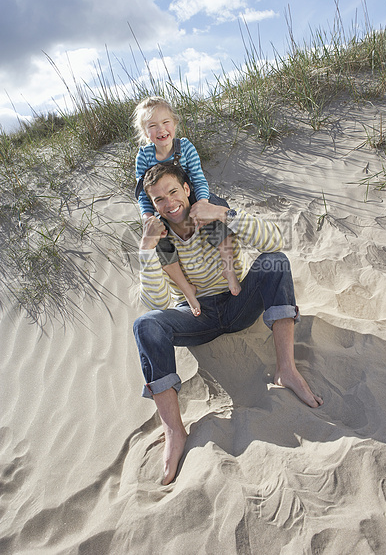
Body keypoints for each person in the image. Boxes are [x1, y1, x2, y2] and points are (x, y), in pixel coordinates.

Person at [133, 162, 323, 486]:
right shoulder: (159, 238)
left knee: (275, 261)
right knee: (145, 325)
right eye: (159, 199)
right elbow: (155, 303)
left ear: (186, 189)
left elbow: (275, 240)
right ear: (152, 206)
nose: (169, 203)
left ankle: (286, 369)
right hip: (197, 318)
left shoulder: (211, 210)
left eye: (173, 192)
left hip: (238, 305)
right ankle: (174, 430)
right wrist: (146, 249)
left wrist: (225, 214)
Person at [133, 96, 241, 316]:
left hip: (193, 196)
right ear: (146, 133)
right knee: (160, 240)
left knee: (215, 212)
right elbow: (142, 192)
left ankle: (228, 270)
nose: (161, 130)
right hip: (164, 207)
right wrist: (147, 216)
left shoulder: (186, 147)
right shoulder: (143, 156)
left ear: (174, 123)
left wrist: (202, 203)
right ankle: (188, 292)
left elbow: (199, 179)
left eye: (165, 123)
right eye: (153, 126)